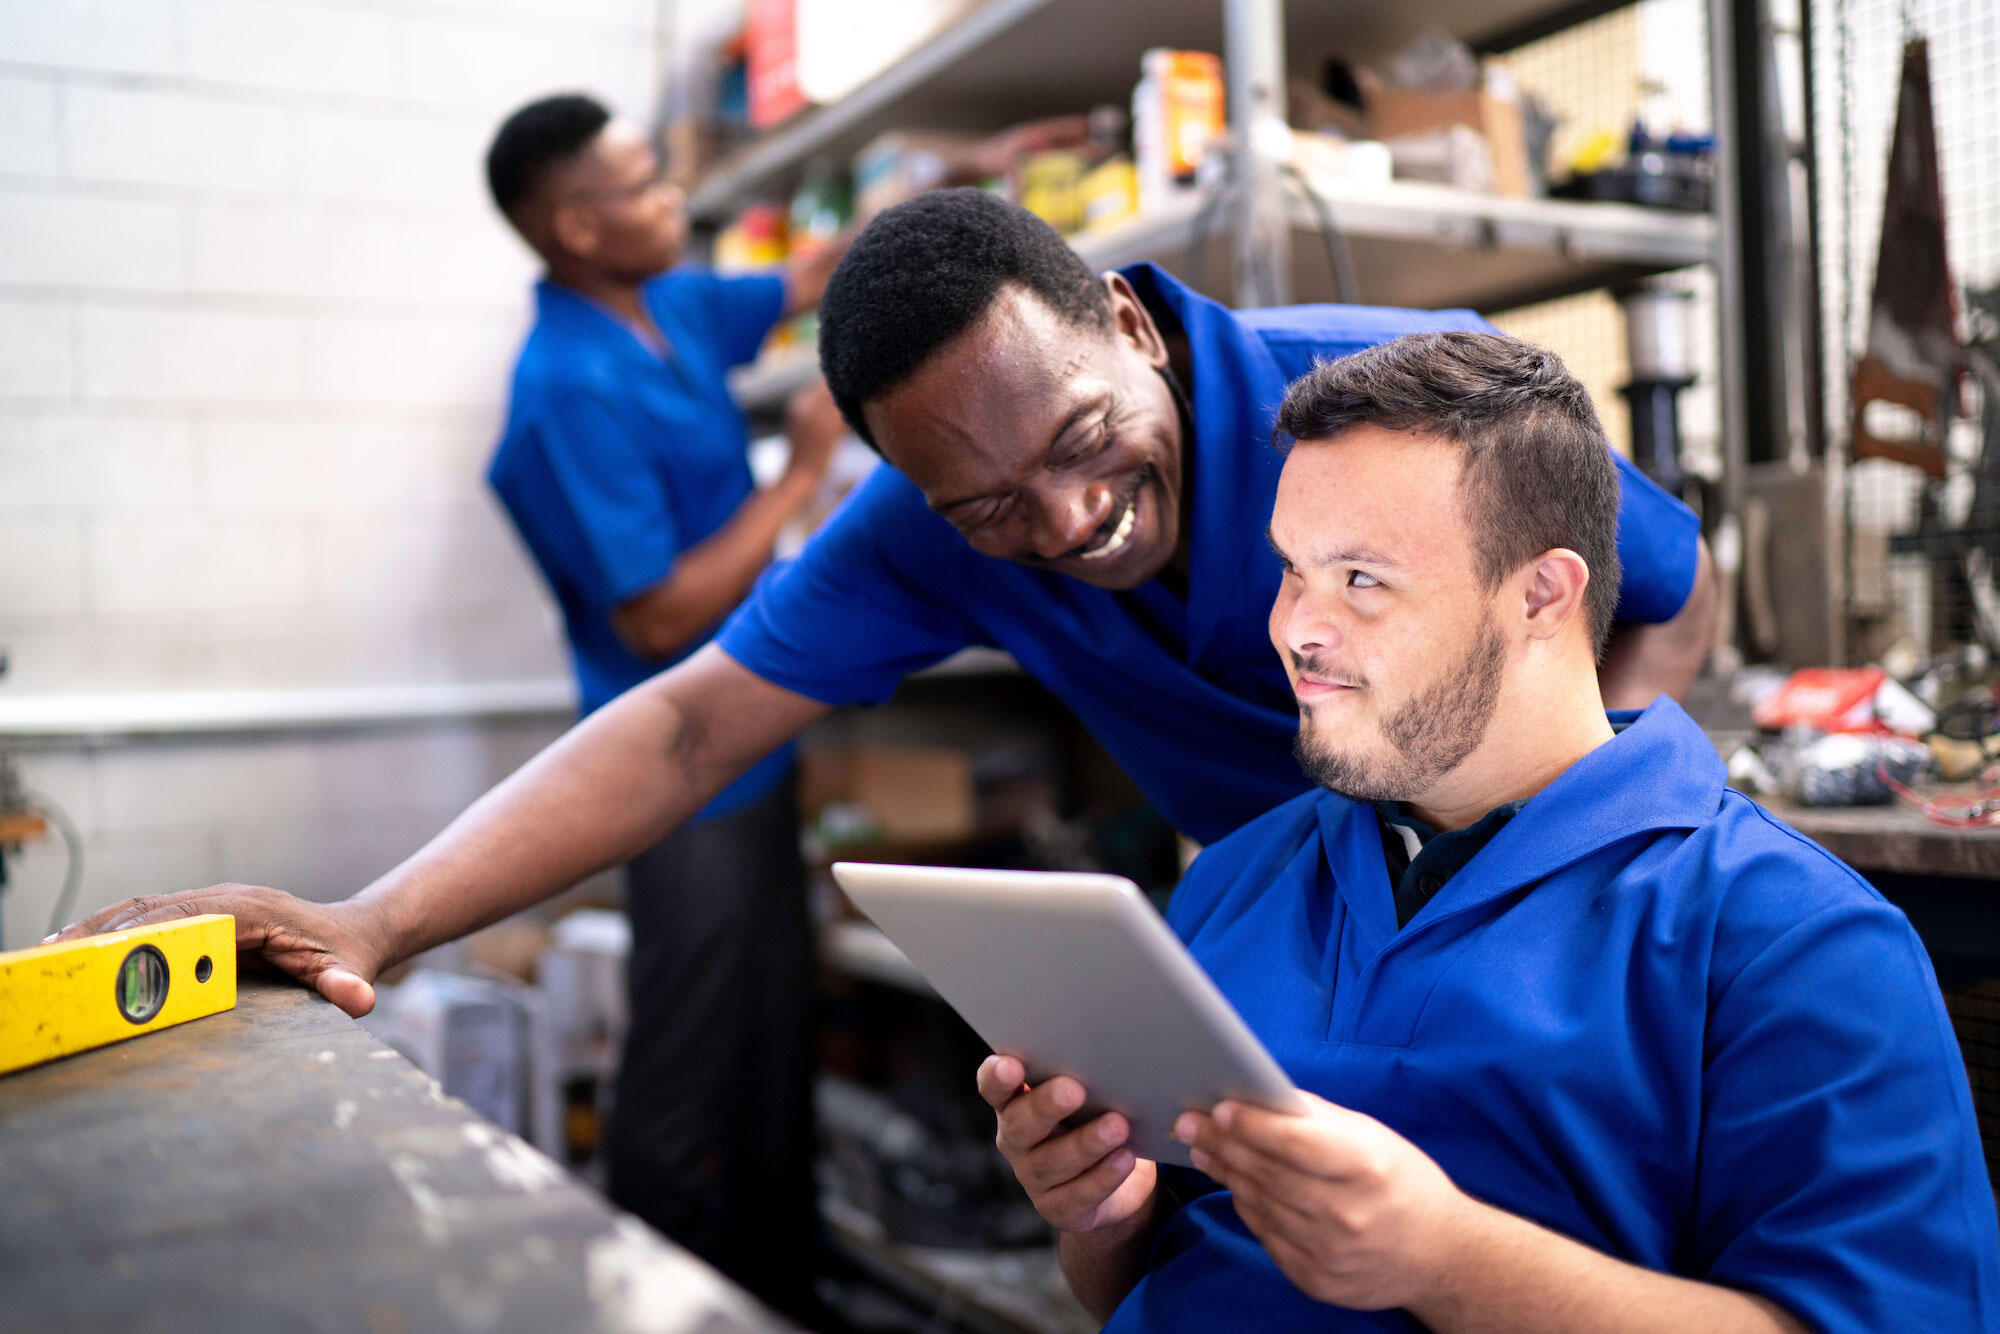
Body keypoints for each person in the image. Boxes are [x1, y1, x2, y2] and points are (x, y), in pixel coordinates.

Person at [55, 194, 1714, 1222]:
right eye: (989, 506)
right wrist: (376, 915)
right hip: (1294, 938)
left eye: (1081, 438)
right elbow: (690, 724)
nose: (1066, 521)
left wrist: (1571, 861)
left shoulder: (1383, 408)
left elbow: (1672, 584)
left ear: (1127, 322)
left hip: (1541, 910)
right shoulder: (927, 528)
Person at [976, 333, 2000, 1332]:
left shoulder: (1793, 941)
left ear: (1539, 595)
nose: (1294, 628)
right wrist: (1102, 1217)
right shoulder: (1237, 877)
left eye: (1361, 578)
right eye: (1290, 570)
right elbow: (1137, 1285)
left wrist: (1443, 1259)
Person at [479, 93, 847, 1317]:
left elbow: (800, 276)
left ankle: (775, 1293)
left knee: (772, 1044)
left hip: (756, 741)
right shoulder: (564, 388)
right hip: (674, 775)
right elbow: (656, 616)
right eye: (643, 187)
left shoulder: (667, 303)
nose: (671, 201)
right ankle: (650, 1300)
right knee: (685, 1067)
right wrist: (798, 475)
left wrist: (969, 170)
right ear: (577, 227)